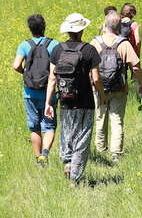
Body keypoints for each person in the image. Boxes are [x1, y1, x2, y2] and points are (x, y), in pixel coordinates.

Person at [44, 13, 105, 185]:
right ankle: (75, 177)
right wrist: (102, 96)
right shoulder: (89, 50)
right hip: (85, 101)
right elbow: (96, 78)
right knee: (83, 136)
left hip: (65, 100)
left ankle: (68, 162)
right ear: (82, 29)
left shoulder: (58, 49)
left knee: (67, 132)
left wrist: (48, 103)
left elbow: (52, 78)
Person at [91, 12, 142, 164]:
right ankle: (116, 153)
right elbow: (136, 67)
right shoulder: (124, 44)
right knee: (117, 120)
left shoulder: (95, 43)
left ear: (105, 24)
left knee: (100, 118)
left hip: (98, 87)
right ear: (119, 27)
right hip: (119, 88)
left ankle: (100, 150)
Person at [12, 14, 60, 166]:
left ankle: (38, 158)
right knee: (49, 126)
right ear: (44, 26)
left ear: (30, 29)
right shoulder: (54, 44)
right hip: (49, 91)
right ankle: (45, 153)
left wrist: (25, 73)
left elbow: (16, 65)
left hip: (29, 92)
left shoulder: (24, 45)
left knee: (35, 127)